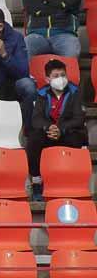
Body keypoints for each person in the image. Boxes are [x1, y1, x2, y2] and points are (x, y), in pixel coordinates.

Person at [27, 58, 86, 201]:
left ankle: (75, 181)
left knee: (78, 137)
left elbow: (78, 118)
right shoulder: (42, 94)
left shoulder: (75, 92)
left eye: (63, 75)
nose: (61, 79)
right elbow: (36, 118)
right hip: (48, 133)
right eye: (56, 76)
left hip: (68, 133)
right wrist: (49, 127)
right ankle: (36, 182)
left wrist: (61, 129)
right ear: (48, 79)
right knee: (34, 138)